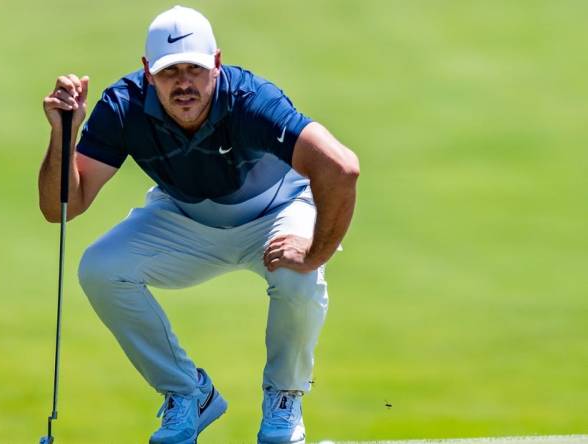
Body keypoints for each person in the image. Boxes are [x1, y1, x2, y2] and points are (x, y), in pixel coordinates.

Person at [38, 6, 359, 444]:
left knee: (297, 276)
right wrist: (63, 133)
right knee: (100, 268)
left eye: (195, 69)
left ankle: (284, 399)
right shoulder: (124, 107)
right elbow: (62, 207)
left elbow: (340, 167)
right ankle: (188, 394)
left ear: (217, 65)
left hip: (275, 211)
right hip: (185, 218)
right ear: (149, 71)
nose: (184, 83)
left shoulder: (251, 101)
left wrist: (315, 253)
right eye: (171, 72)